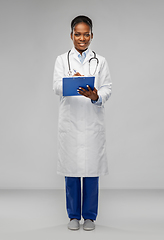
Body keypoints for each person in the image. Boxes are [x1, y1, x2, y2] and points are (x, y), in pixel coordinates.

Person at [53, 15, 112, 231]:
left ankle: (89, 216)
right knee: (71, 171)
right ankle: (72, 216)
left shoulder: (100, 61)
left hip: (91, 122)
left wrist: (96, 96)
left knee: (91, 171)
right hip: (70, 123)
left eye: (86, 34)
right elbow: (56, 86)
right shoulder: (62, 60)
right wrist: (73, 83)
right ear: (71, 35)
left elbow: (108, 88)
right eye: (78, 34)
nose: (82, 38)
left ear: (91, 36)